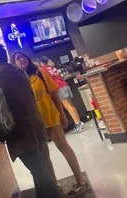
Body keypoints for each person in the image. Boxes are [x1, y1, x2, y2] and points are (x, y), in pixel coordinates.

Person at [0, 44, 62, 198]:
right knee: (39, 168)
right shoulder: (19, 71)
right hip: (36, 125)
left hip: (19, 132)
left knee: (39, 172)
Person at [11, 51, 89, 197]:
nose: (21, 60)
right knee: (44, 156)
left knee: (63, 147)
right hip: (34, 123)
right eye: (17, 59)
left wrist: (63, 116)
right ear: (13, 63)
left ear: (27, 58)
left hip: (51, 118)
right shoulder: (18, 81)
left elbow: (55, 96)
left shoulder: (40, 73)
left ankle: (81, 181)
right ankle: (54, 187)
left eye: (22, 57)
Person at [40, 56, 84, 133]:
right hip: (65, 85)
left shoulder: (44, 69)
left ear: (42, 63)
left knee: (67, 106)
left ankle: (77, 124)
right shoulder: (52, 67)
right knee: (71, 105)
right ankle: (79, 121)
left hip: (59, 88)